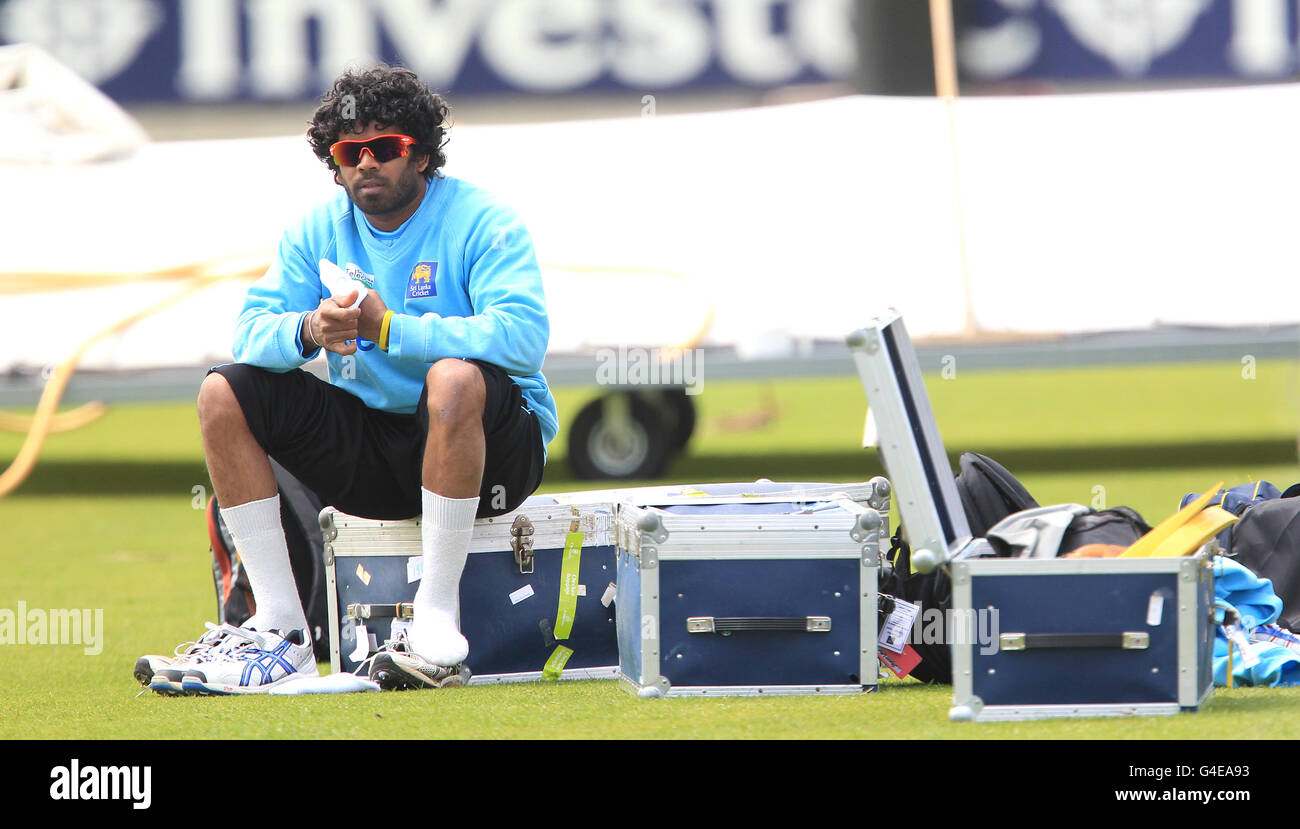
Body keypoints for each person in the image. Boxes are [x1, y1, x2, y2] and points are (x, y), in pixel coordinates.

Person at [137, 64, 557, 694]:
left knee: (451, 381)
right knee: (223, 391)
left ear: (420, 153)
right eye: (349, 152)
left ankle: (437, 625)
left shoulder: (484, 219)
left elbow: (524, 338)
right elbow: (248, 332)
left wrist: (391, 330)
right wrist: (309, 329)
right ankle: (281, 629)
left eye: (385, 148)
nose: (367, 164)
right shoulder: (316, 229)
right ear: (334, 164)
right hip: (378, 458)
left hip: (496, 453)